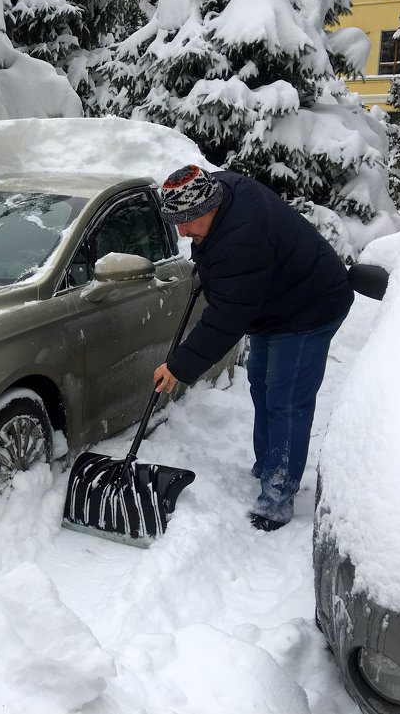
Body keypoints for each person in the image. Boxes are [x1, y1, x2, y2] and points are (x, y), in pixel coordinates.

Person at [151, 165, 353, 532]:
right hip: (274, 304)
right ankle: (270, 465)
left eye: (187, 222)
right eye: (176, 222)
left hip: (311, 306)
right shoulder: (220, 191)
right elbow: (231, 283)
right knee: (261, 383)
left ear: (209, 207)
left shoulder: (243, 238)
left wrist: (179, 366)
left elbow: (228, 317)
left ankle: (278, 495)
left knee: (285, 399)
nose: (181, 232)